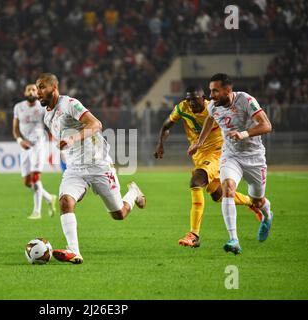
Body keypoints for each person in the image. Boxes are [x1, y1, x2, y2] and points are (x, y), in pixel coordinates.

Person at [36, 73, 146, 264]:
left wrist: (73, 138)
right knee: (65, 201)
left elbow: (96, 124)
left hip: (99, 165)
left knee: (119, 214)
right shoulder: (47, 117)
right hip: (75, 169)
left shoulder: (69, 103)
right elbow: (64, 144)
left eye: (42, 87)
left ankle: (133, 193)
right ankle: (74, 251)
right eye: (37, 88)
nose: (38, 92)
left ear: (54, 88)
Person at [154, 86, 261, 248]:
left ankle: (194, 234)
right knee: (218, 194)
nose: (191, 102)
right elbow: (166, 126)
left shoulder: (214, 107)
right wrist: (160, 144)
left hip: (219, 152)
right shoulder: (182, 108)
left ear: (203, 98)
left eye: (194, 99)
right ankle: (251, 202)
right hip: (199, 155)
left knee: (196, 181)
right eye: (188, 99)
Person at [188, 73, 273, 254]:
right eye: (210, 91)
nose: (211, 96)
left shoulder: (246, 100)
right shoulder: (213, 106)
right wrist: (200, 142)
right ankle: (233, 239)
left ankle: (267, 215)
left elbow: (266, 126)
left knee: (258, 201)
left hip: (254, 157)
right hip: (230, 155)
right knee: (228, 188)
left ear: (228, 90)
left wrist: (243, 134)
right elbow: (210, 119)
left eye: (215, 91)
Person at [13, 84, 57, 219]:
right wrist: (20, 141)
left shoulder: (42, 106)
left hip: (39, 144)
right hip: (24, 146)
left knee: (35, 177)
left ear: (37, 92)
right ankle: (49, 198)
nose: (31, 92)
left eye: (34, 89)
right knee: (27, 182)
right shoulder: (18, 107)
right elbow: (15, 129)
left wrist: (55, 138)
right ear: (25, 92)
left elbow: (51, 123)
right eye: (29, 90)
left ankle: (37, 212)